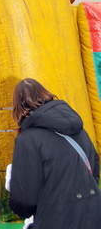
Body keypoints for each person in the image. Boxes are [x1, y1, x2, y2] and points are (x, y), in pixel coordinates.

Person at [9, 77, 101, 228]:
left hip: (57, 218)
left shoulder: (28, 140)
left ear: (19, 107)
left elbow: (25, 200)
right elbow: (94, 170)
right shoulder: (80, 130)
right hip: (93, 214)